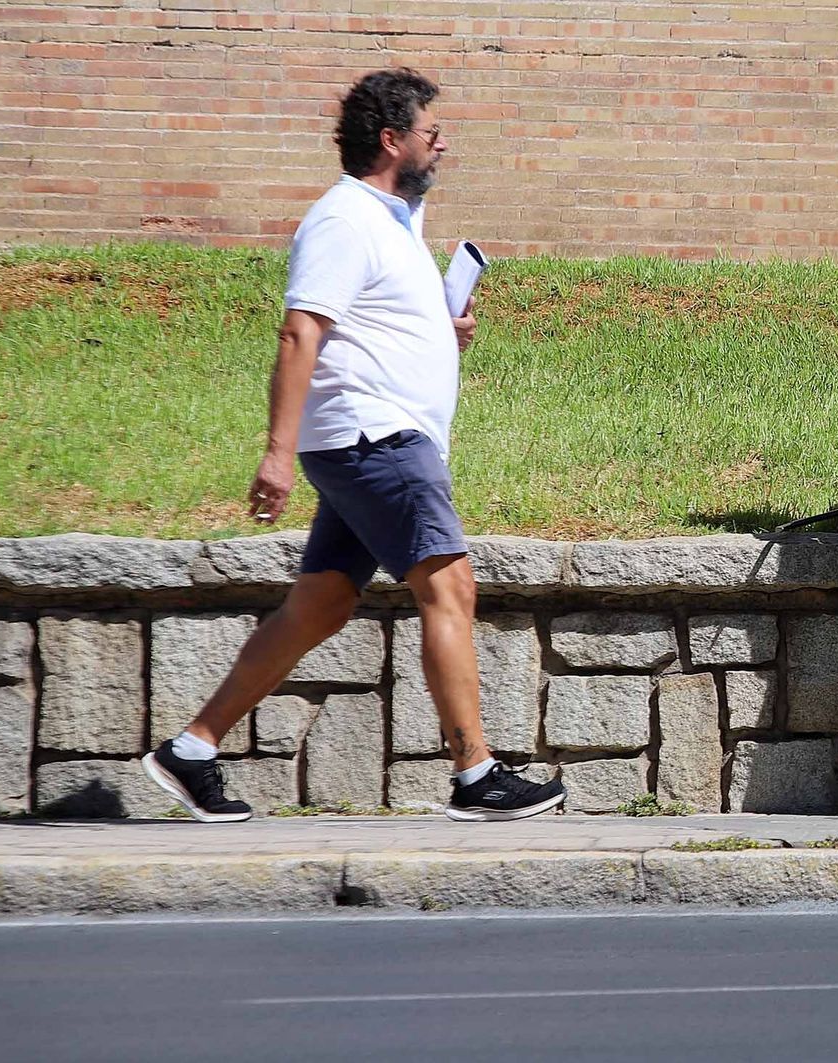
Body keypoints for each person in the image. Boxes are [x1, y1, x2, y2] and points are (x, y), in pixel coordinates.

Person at [142, 68, 566, 824]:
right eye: (433, 133)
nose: (445, 144)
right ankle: (476, 773)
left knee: (323, 602)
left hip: (373, 437)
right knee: (451, 585)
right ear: (391, 139)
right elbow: (303, 329)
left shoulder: (395, 221)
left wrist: (445, 329)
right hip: (374, 437)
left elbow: (375, 323)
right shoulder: (344, 219)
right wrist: (277, 451)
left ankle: (192, 749)